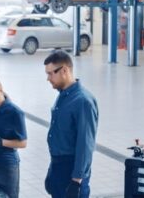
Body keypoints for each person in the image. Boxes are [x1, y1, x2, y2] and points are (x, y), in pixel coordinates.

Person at [43, 51, 99, 198]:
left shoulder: (83, 101)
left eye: (50, 73)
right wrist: (52, 170)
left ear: (64, 70)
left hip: (72, 172)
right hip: (59, 168)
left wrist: (76, 181)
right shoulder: (63, 96)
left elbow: (85, 145)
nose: (48, 79)